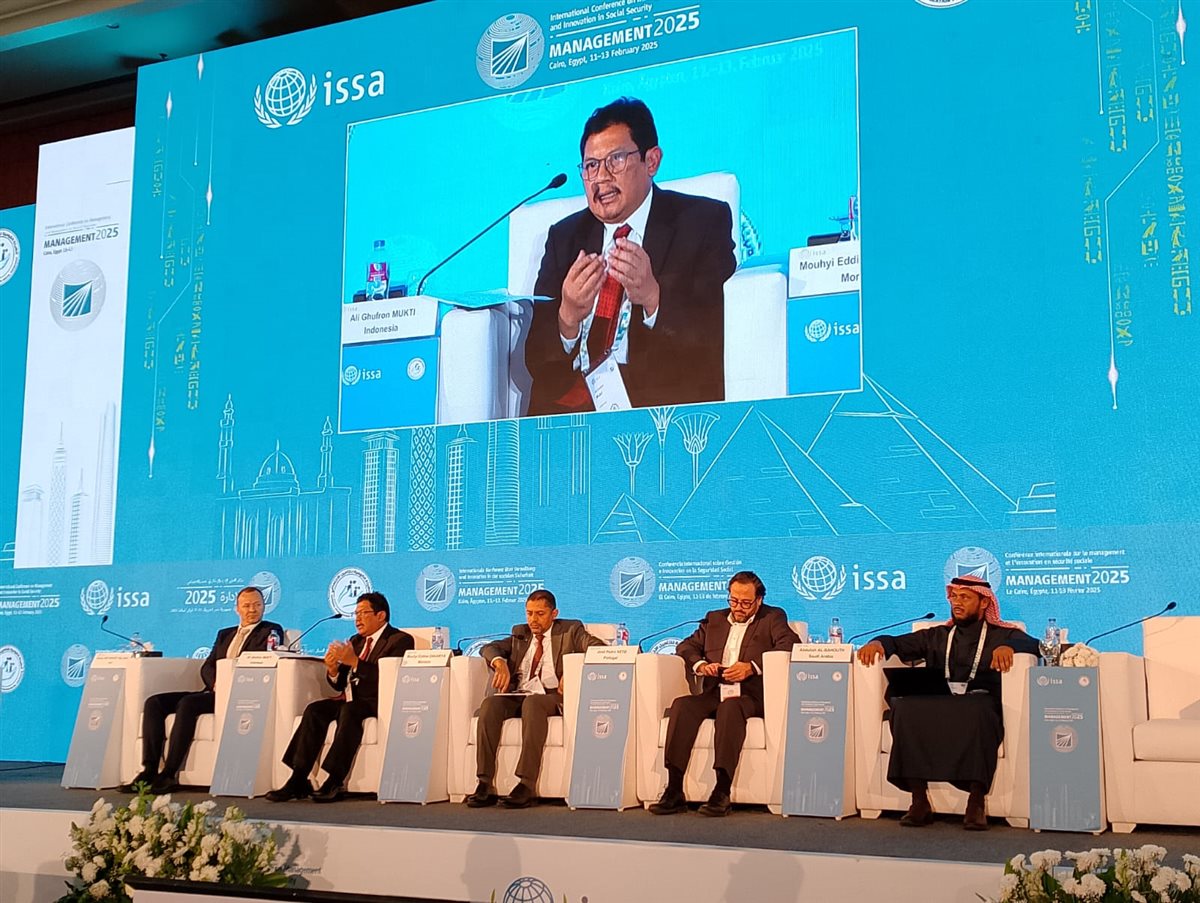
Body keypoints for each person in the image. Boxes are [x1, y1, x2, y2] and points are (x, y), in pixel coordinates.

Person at [524, 96, 737, 415]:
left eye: (616, 160)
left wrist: (653, 298)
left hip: (656, 411)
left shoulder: (702, 222)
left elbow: (718, 338)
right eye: (591, 166)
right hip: (568, 414)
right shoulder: (565, 238)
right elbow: (536, 360)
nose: (601, 178)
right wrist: (567, 316)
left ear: (651, 161)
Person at [856, 574, 1040, 830]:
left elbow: (1034, 645)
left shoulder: (1004, 635)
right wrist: (877, 643)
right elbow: (897, 643)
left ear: (984, 603)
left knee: (979, 710)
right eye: (954, 597)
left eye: (965, 597)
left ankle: (976, 802)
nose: (957, 602)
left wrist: (1012, 648)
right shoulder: (938, 635)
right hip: (940, 701)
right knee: (904, 707)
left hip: (979, 702)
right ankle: (919, 801)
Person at [649, 571, 799, 816]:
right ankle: (674, 789)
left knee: (730, 708)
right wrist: (701, 665)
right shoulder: (714, 619)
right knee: (682, 705)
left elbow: (790, 644)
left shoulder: (772, 617)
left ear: (759, 600)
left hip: (751, 694)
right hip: (716, 689)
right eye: (733, 600)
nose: (738, 607)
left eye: (746, 603)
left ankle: (721, 791)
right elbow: (686, 646)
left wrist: (751, 667)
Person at [121, 585, 283, 794]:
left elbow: (263, 662)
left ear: (263, 606)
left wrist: (229, 683)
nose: (252, 610)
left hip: (240, 695)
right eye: (247, 605)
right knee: (154, 702)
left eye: (257, 605)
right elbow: (207, 666)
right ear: (237, 609)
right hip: (213, 690)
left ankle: (169, 773)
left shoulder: (271, 631)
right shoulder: (225, 634)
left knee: (188, 704)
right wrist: (215, 683)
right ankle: (149, 770)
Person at [266, 592, 413, 803]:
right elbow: (339, 684)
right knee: (315, 709)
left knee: (349, 711)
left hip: (377, 701)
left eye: (363, 613)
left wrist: (355, 662)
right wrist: (333, 670)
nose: (358, 619)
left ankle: (334, 780)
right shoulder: (356, 641)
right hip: (349, 699)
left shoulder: (400, 640)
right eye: (356, 614)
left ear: (381, 616)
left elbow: (390, 678)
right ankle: (298, 778)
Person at [465, 590, 605, 809]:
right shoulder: (520, 633)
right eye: (529, 613)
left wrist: (573, 670)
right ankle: (484, 783)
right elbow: (488, 648)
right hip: (520, 693)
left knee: (533, 703)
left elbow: (599, 649)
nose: (533, 620)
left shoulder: (570, 630)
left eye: (540, 614)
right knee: (490, 704)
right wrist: (499, 662)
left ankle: (526, 784)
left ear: (554, 614)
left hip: (551, 695)